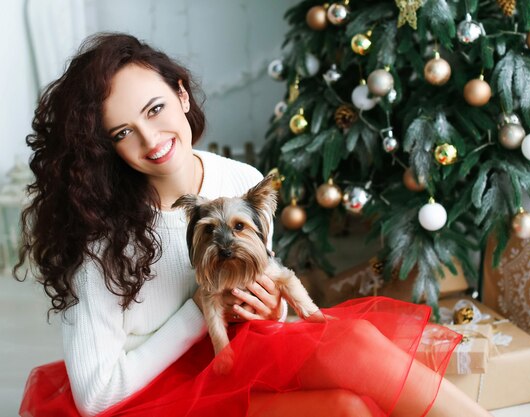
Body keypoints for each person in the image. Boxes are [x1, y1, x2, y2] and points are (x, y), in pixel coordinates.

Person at [15, 33, 491, 417]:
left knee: (358, 347)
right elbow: (96, 398)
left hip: (229, 363)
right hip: (152, 399)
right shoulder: (100, 241)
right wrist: (198, 311)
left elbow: (262, 288)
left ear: (181, 94)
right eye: (122, 132)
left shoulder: (239, 181)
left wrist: (270, 311)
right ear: (107, 147)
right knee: (346, 409)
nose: (150, 139)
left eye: (155, 109)